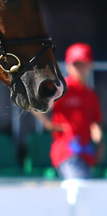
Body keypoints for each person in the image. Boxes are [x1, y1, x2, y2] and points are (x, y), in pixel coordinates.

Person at [34, 43, 104, 179]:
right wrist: (48, 124)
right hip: (66, 151)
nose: (79, 68)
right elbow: (36, 104)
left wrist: (100, 143)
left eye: (83, 64)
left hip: (86, 152)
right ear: (68, 66)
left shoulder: (91, 94)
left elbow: (95, 123)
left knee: (85, 187)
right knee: (79, 183)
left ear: (90, 65)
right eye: (75, 64)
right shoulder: (61, 89)